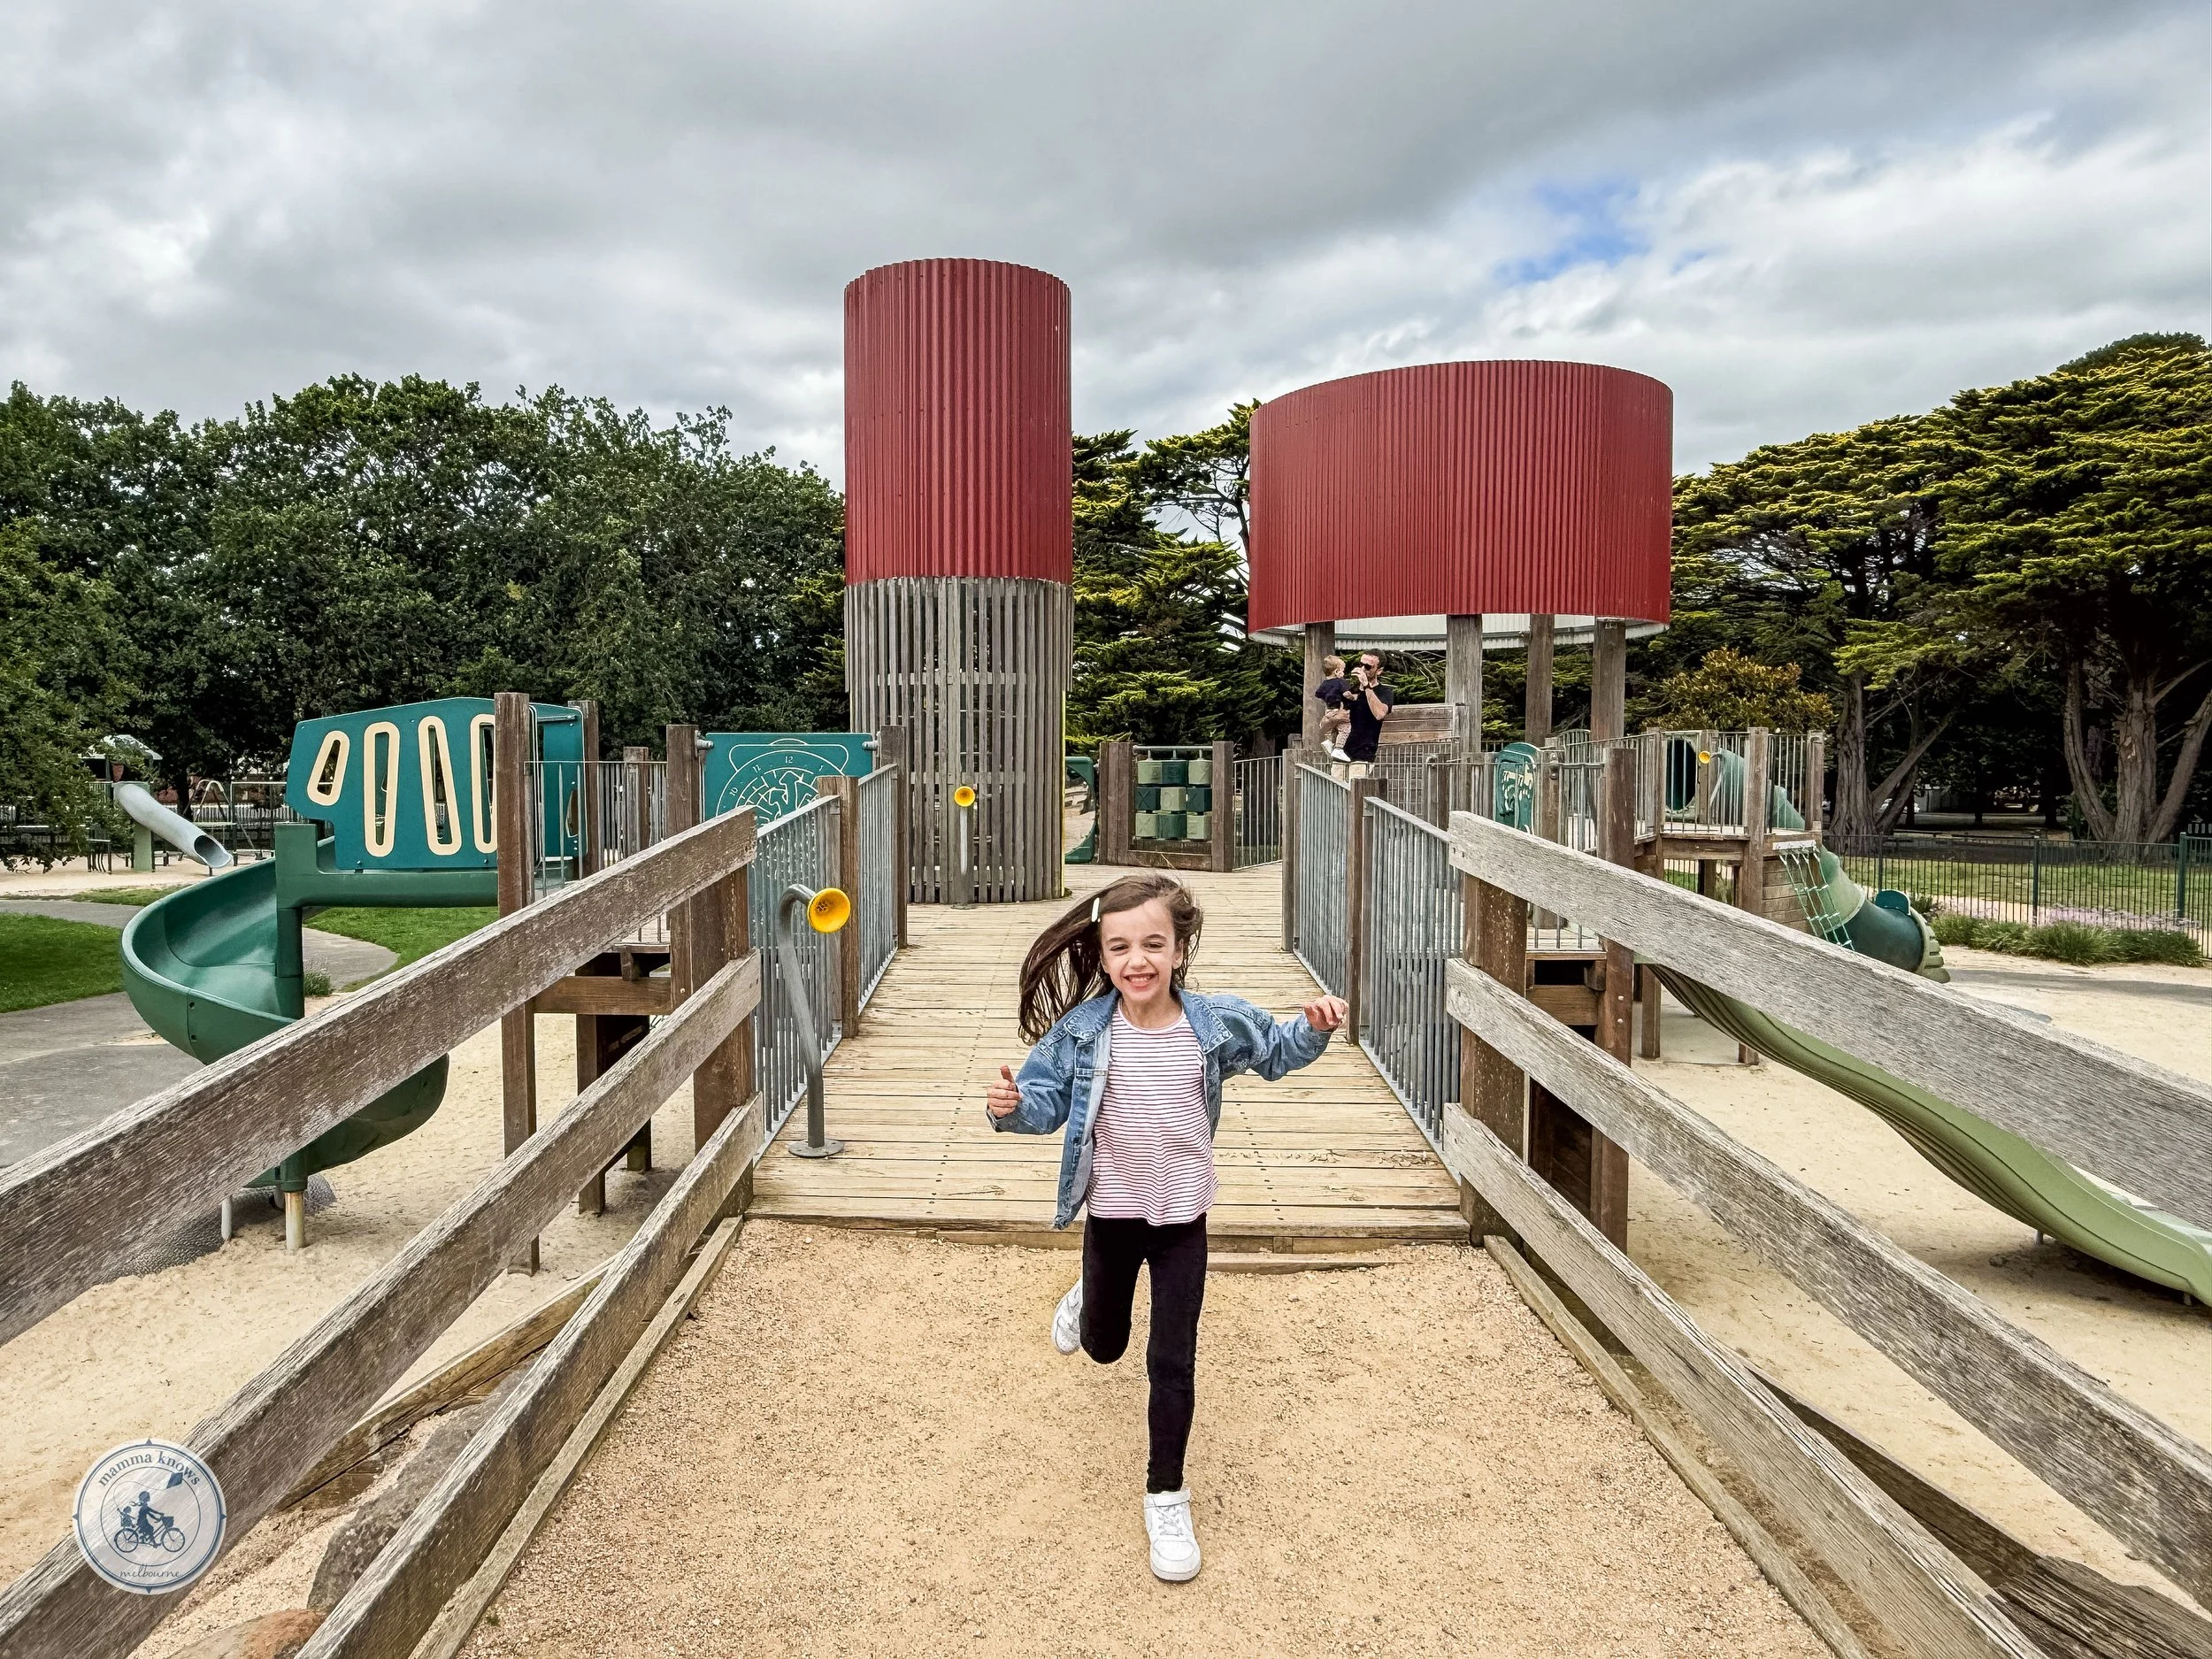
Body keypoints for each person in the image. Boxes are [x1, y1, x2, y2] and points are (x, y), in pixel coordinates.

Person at [985, 872, 1347, 1583]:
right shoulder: (1085, 1033)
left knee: (1172, 1359)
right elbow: (1042, 1104)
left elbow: (1276, 1047)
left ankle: (1166, 1493)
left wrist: (1313, 1027)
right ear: (1103, 953)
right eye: (1120, 946)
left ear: (1180, 948)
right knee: (1105, 1347)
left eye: (1153, 943)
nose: (1137, 959)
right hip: (1112, 1217)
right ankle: (1088, 1298)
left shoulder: (1211, 1025)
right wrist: (1008, 1106)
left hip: (1184, 1218)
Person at [1338, 650, 1394, 779]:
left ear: (1379, 671)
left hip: (1364, 756)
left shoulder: (1385, 692)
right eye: (1361, 664)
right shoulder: (1351, 690)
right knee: (1333, 794)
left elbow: (1380, 714)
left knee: (1356, 793)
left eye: (1368, 667)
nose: (1363, 669)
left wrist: (1367, 686)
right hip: (1343, 753)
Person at [1311, 654, 1353, 761]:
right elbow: (1346, 694)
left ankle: (1329, 742)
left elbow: (1318, 694)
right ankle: (1339, 749)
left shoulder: (1324, 684)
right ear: (1336, 671)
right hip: (1338, 710)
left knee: (1335, 728)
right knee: (1345, 728)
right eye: (1342, 671)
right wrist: (1354, 697)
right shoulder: (1340, 682)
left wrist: (1328, 697)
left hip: (1329, 711)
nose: (1343, 674)